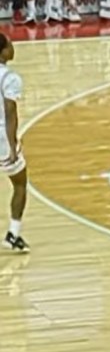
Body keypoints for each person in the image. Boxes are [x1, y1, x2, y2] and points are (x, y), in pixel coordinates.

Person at [0, 33, 28, 252]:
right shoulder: (9, 77)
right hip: (1, 140)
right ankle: (13, 234)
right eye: (10, 44)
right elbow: (10, 112)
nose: (13, 46)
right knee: (19, 183)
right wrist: (12, 146)